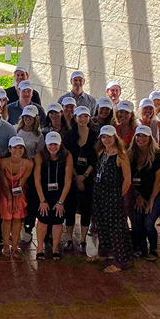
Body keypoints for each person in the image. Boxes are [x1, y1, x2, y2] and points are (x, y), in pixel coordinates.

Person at [92, 126, 132, 273]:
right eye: (103, 137)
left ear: (115, 137)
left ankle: (120, 261)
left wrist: (118, 196)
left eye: (109, 137)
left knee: (116, 229)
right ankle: (104, 253)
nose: (106, 140)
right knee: (101, 225)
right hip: (99, 195)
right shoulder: (102, 152)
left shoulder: (121, 155)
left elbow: (127, 180)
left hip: (113, 197)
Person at [128, 125, 160, 261]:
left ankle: (154, 248)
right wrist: (139, 196)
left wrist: (150, 200)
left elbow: (159, 181)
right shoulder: (130, 155)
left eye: (144, 136)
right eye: (138, 135)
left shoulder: (158, 156)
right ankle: (141, 247)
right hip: (140, 194)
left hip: (156, 194)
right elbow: (128, 178)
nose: (141, 139)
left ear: (150, 138)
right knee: (137, 220)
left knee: (149, 222)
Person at [34, 131, 72, 260]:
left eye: (56, 144)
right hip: (43, 194)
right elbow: (37, 179)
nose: (53, 147)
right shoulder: (40, 156)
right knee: (42, 220)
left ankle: (55, 248)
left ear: (60, 144)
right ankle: (40, 248)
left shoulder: (67, 156)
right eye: (50, 144)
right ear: (46, 144)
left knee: (58, 221)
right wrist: (42, 200)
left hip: (60, 194)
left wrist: (61, 202)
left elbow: (68, 181)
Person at [66, 106, 98, 253]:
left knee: (86, 208)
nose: (83, 119)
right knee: (70, 208)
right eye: (80, 116)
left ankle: (83, 239)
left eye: (86, 116)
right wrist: (75, 176)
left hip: (88, 176)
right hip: (71, 175)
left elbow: (96, 159)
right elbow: (67, 157)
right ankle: (69, 239)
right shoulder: (69, 135)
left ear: (89, 119)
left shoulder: (94, 136)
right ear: (75, 118)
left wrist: (84, 176)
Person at [0, 136, 33, 259]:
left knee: (17, 218)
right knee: (7, 218)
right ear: (9, 149)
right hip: (4, 192)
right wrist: (10, 199)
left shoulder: (28, 164)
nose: (18, 150)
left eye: (21, 147)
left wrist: (16, 199)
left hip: (19, 191)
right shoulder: (2, 162)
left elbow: (22, 183)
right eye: (15, 147)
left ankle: (15, 246)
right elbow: (4, 183)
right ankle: (6, 245)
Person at [16, 105, 44, 243]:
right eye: (26, 116)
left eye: (30, 117)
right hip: (16, 169)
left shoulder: (39, 136)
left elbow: (39, 153)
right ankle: (16, 226)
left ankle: (28, 226)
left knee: (31, 198)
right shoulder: (16, 131)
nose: (28, 119)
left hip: (31, 170)